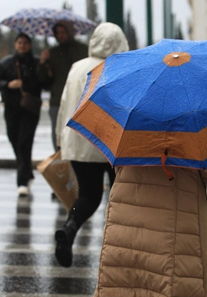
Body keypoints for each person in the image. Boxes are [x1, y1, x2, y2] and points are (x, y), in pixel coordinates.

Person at [93, 156, 207, 297]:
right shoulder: (195, 135)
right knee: (172, 285)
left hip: (125, 226)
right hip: (176, 234)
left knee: (126, 286)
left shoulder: (132, 134)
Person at [53, 22, 129, 268]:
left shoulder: (77, 67)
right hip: (110, 144)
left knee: (88, 194)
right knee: (120, 197)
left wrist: (59, 140)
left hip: (78, 141)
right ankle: (119, 247)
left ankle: (70, 227)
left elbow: (65, 105)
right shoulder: (119, 67)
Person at [0, 33, 45, 196]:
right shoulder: (6, 63)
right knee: (14, 140)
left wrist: (44, 65)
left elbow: (44, 82)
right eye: (20, 42)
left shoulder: (36, 62)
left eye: (25, 43)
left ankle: (22, 181)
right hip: (11, 108)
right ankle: (28, 173)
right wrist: (8, 84)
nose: (22, 45)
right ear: (15, 44)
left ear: (30, 45)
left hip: (29, 109)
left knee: (24, 143)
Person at [37, 20, 88, 152]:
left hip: (80, 99)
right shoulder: (52, 53)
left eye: (63, 32)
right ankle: (61, 163)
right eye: (58, 32)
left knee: (79, 135)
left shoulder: (83, 50)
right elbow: (43, 80)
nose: (60, 35)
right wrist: (43, 63)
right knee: (58, 134)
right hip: (57, 100)